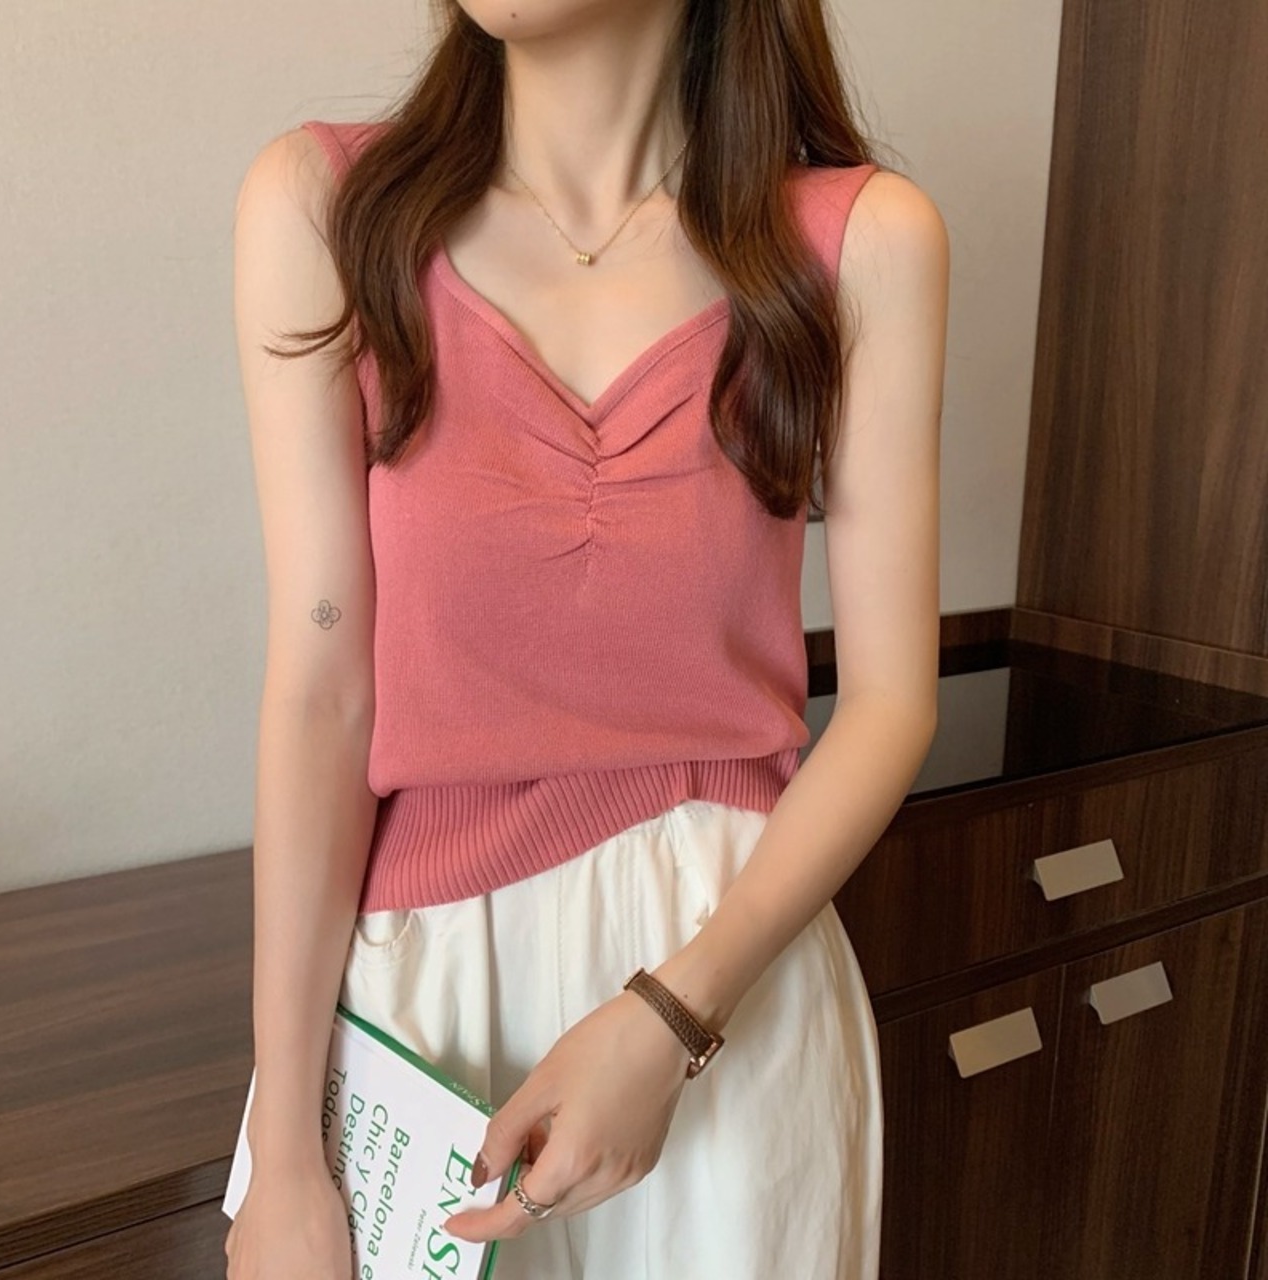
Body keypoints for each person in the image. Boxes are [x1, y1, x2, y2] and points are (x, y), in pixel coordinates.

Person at [223, 0, 947, 1276]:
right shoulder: (326, 210)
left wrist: (673, 1015)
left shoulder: (861, 242)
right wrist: (284, 1148)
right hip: (428, 1015)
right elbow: (321, 690)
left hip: (730, 992)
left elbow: (892, 700)